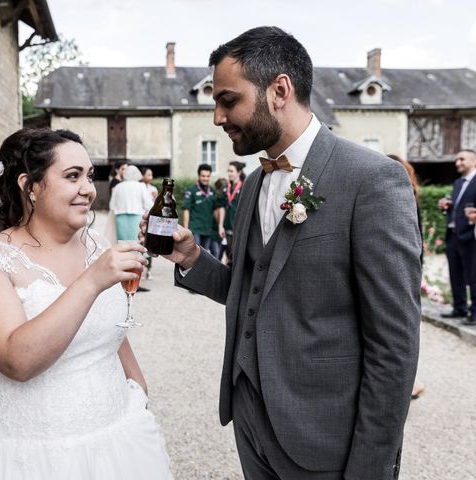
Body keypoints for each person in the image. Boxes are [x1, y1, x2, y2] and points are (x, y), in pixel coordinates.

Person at [143, 26, 421, 479]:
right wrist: (191, 256)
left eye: (228, 100)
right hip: (251, 421)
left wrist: (371, 468)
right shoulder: (253, 183)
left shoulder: (371, 180)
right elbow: (250, 287)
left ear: (279, 90)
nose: (217, 117)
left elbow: (395, 345)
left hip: (325, 437)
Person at [0, 128, 172, 479]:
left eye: (89, 175)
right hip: (34, 453)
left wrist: (138, 390)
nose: (88, 189)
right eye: (72, 176)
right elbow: (17, 361)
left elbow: (111, 327)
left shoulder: (96, 243)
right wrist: (91, 281)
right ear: (30, 186)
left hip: (118, 439)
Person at [388, 154, 426, 399]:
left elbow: (415, 238)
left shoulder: (405, 195)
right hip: (400, 265)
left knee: (399, 329)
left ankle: (407, 384)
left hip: (401, 266)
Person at [438, 149, 476, 324]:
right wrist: (446, 206)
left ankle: (474, 313)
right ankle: (459, 308)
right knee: (455, 274)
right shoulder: (458, 183)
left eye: (462, 159)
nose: (457, 163)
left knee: (473, 275)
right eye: (456, 160)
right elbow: (457, 209)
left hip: (470, 235)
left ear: (473, 161)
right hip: (453, 235)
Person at [183, 164, 223, 259]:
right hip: (195, 229)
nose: (205, 178)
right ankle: (193, 273)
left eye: (208, 176)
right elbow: (186, 210)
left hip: (208, 230)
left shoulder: (212, 191)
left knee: (204, 256)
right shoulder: (191, 190)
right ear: (199, 175)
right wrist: (186, 230)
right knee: (195, 255)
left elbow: (216, 210)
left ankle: (202, 273)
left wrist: (220, 226)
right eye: (203, 176)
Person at [224, 161, 246, 262]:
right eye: (228, 171)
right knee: (228, 255)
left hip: (238, 229)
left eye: (231, 171)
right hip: (227, 228)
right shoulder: (227, 188)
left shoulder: (244, 187)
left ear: (239, 172)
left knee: (236, 257)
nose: (229, 173)